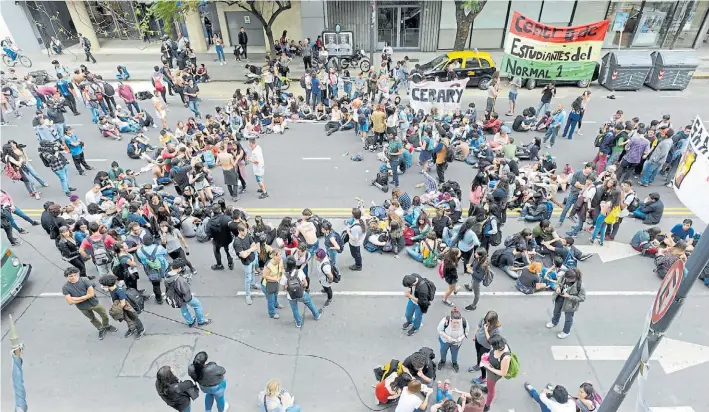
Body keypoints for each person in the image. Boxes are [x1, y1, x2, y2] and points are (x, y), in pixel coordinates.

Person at [62, 266, 117, 340]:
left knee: (104, 315)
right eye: (71, 276)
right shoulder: (65, 287)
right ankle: (101, 329)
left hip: (94, 303)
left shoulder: (85, 280)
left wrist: (76, 298)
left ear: (78, 274)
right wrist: (86, 296)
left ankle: (106, 326)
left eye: (75, 275)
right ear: (67, 277)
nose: (73, 277)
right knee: (92, 318)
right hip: (83, 307)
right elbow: (70, 302)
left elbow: (91, 294)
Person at [165, 258, 212, 327]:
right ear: (180, 268)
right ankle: (201, 321)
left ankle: (190, 322)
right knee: (197, 305)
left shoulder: (167, 276)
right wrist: (186, 282)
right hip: (184, 297)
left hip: (176, 297)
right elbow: (185, 290)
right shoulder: (179, 279)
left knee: (183, 308)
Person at [100, 274, 146, 339]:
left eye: (103, 285)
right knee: (127, 319)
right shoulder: (111, 289)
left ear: (107, 285)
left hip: (128, 308)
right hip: (123, 308)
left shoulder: (119, 291)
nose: (102, 286)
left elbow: (123, 303)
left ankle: (141, 330)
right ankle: (132, 328)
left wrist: (116, 310)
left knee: (134, 318)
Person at [281, 255, 322, 328]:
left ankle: (298, 322)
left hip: (291, 296)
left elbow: (283, 288)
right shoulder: (299, 271)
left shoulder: (284, 275)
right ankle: (316, 315)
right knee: (309, 303)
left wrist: (287, 287)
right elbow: (306, 284)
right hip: (301, 293)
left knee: (295, 309)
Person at [546, 268, 585, 339]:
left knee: (568, 318)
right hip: (560, 297)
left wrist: (569, 296)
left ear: (574, 278)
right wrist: (557, 287)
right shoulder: (565, 276)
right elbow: (558, 282)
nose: (566, 280)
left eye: (568, 279)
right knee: (556, 311)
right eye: (566, 278)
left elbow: (582, 298)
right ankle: (554, 322)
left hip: (570, 304)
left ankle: (566, 331)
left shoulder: (580, 286)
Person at [469, 310, 502, 384]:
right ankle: (478, 365)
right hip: (478, 340)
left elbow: (491, 341)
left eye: (488, 322)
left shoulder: (497, 330)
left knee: (483, 362)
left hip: (486, 346)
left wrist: (486, 330)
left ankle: (483, 378)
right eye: (486, 320)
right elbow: (478, 326)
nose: (486, 323)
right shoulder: (484, 318)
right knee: (478, 354)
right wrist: (475, 335)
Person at [480, 335, 511, 411]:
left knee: (491, 389)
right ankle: (487, 388)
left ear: (496, 346)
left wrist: (489, 367)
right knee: (489, 383)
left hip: (494, 374)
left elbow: (503, 373)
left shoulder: (506, 357)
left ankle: (487, 405)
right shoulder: (501, 344)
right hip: (490, 368)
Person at [232, 222, 260, 305]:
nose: (246, 232)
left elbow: (254, 244)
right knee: (247, 278)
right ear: (239, 231)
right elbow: (243, 255)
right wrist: (251, 250)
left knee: (253, 273)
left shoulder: (247, 235)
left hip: (252, 258)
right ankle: (248, 295)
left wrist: (248, 251)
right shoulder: (237, 241)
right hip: (246, 262)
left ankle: (253, 283)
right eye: (244, 231)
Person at [437, 307, 470, 373]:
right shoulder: (445, 321)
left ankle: (454, 363)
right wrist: (447, 337)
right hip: (445, 341)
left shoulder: (464, 322)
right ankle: (442, 361)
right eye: (454, 322)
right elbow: (439, 330)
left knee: (455, 353)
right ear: (451, 320)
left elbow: (466, 332)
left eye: (458, 322)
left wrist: (460, 338)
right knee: (443, 352)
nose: (456, 324)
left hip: (456, 343)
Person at [206, 204, 234, 270]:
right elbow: (232, 228)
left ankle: (219, 265)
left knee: (216, 251)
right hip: (227, 239)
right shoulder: (227, 218)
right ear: (220, 210)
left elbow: (208, 232)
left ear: (212, 211)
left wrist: (211, 237)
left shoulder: (210, 222)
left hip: (217, 240)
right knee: (228, 251)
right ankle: (230, 264)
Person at [261, 248, 285, 319]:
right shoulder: (268, 265)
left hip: (276, 282)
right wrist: (275, 278)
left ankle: (276, 304)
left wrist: (280, 276)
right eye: (279, 255)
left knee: (276, 294)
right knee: (270, 299)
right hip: (268, 284)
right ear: (274, 256)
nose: (281, 256)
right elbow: (265, 276)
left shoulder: (280, 261)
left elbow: (282, 268)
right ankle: (272, 313)